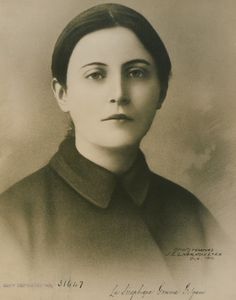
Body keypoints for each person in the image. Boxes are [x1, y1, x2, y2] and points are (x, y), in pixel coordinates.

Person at [0, 3, 225, 287]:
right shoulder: (11, 223)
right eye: (96, 75)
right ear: (62, 94)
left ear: (161, 92)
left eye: (136, 73)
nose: (118, 94)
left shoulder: (193, 218)